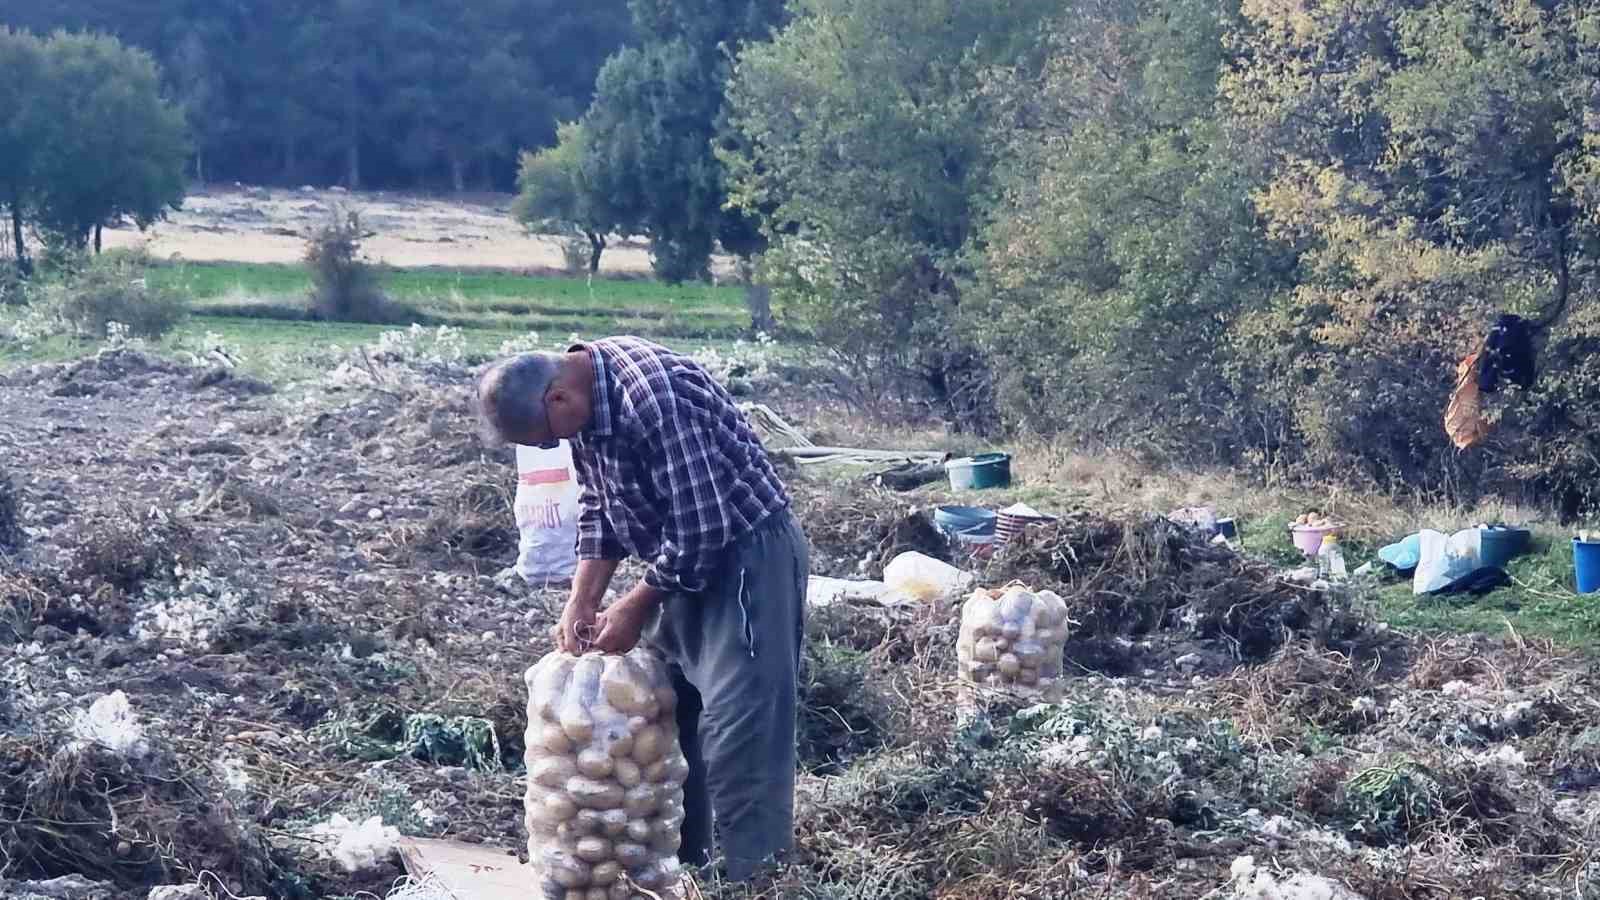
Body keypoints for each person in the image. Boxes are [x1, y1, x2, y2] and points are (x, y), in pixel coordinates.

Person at [474, 336, 809, 881]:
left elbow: (703, 528)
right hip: (679, 557)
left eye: (541, 440)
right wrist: (581, 598)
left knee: (738, 733)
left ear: (557, 399)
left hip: (745, 558)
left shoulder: (654, 398)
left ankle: (760, 883)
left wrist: (632, 606)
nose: (545, 450)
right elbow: (599, 506)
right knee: (668, 723)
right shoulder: (581, 407)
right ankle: (680, 878)